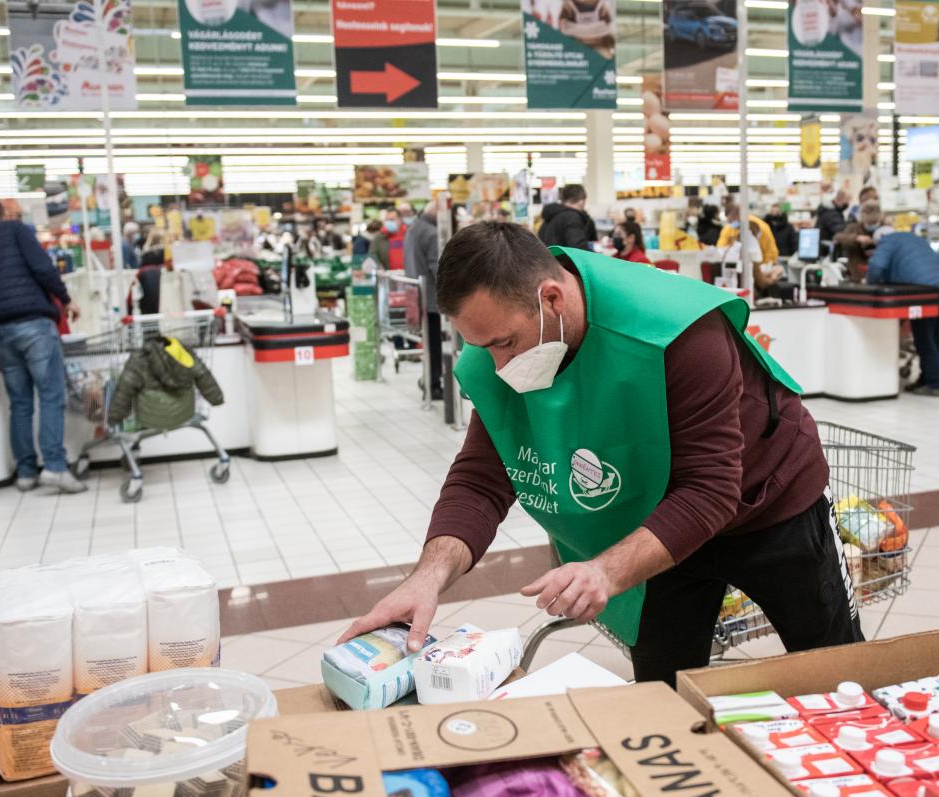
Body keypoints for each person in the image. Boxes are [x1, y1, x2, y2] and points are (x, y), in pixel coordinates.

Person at [338, 222, 862, 686]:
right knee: (664, 691)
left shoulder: (676, 329)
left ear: (551, 299)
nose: (498, 364)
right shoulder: (510, 343)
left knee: (832, 667)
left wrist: (604, 573)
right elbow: (480, 478)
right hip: (653, 521)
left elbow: (709, 488)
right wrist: (424, 580)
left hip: (768, 501)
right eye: (483, 347)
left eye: (503, 342)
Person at [0, 199, 86, 492]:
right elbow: (43, 268)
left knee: (20, 402)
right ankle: (54, 466)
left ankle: (26, 472)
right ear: (1, 216)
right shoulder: (15, 230)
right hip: (33, 322)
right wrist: (65, 299)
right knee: (51, 395)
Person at [865, 225, 939, 397]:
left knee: (925, 337)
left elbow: (877, 265)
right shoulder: (914, 238)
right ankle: (929, 378)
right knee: (937, 337)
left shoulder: (887, 240)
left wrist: (869, 284)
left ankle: (934, 384)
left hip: (924, 291)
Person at [403, 205, 444, 400]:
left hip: (415, 295)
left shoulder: (414, 228)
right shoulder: (432, 233)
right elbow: (437, 268)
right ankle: (434, 384)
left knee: (428, 343)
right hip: (430, 298)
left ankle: (428, 380)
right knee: (434, 344)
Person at [717, 196, 779, 266]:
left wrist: (763, 269)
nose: (731, 223)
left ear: (740, 214)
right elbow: (721, 249)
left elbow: (770, 253)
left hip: (761, 266)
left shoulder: (760, 227)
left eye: (732, 220)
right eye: (729, 221)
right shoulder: (728, 228)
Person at [537, 183, 598, 250]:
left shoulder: (551, 214)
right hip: (562, 260)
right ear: (581, 200)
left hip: (548, 258)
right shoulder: (572, 217)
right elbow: (579, 248)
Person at [815, 190, 850, 255]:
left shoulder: (830, 210)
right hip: (827, 249)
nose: (847, 204)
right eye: (846, 201)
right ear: (839, 200)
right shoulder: (832, 213)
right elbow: (840, 229)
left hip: (822, 248)